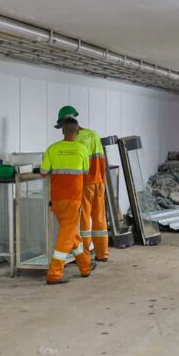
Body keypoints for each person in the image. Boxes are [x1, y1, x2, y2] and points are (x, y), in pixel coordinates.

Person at [40, 117, 95, 284]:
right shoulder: (82, 149)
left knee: (71, 233)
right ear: (77, 132)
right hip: (73, 199)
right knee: (66, 235)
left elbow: (43, 171)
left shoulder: (52, 148)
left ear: (62, 131)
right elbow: (86, 172)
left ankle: (85, 266)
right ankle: (55, 273)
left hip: (56, 200)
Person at [55, 105, 109, 263]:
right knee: (99, 218)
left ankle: (84, 256)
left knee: (84, 220)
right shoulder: (93, 134)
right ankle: (102, 253)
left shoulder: (76, 139)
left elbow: (76, 165)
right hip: (99, 182)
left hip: (85, 184)